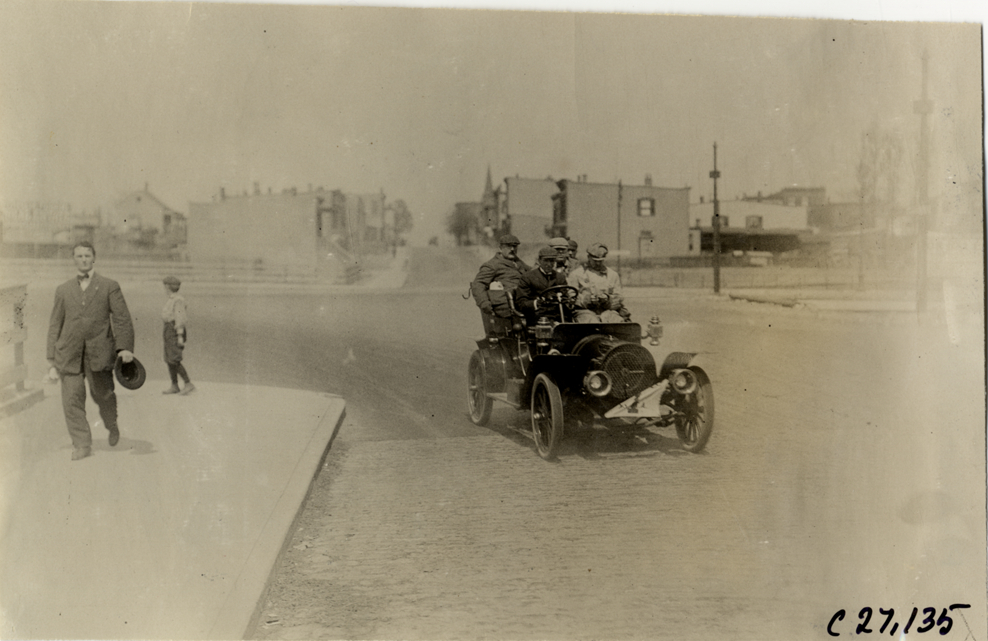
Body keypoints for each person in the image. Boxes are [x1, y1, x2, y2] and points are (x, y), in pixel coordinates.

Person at [46, 241, 135, 460]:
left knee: (102, 395)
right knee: (71, 399)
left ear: (94, 258)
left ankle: (111, 424)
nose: (83, 259)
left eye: (87, 255)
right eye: (79, 256)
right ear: (73, 259)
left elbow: (122, 319)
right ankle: (82, 444)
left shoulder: (109, 286)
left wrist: (124, 348)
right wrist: (51, 359)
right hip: (69, 353)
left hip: (100, 352)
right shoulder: (63, 290)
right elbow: (55, 325)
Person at [469, 234, 530, 331]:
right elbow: (478, 284)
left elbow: (533, 274)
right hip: (506, 307)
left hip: (523, 302)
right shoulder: (492, 265)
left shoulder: (518, 262)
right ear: (501, 248)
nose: (512, 249)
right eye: (508, 246)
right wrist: (484, 302)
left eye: (515, 246)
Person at [568, 243, 632, 323]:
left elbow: (618, 297)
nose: (598, 264)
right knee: (592, 323)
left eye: (600, 261)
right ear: (589, 258)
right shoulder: (576, 274)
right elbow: (571, 297)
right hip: (585, 312)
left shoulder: (612, 275)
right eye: (595, 261)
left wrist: (607, 299)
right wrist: (586, 300)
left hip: (608, 312)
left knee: (618, 323)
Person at [515, 246, 572, 323]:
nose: (549, 264)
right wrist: (536, 303)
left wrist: (568, 302)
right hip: (537, 316)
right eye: (545, 260)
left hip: (558, 316)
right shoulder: (528, 277)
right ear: (539, 260)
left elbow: (565, 298)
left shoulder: (560, 277)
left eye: (552, 261)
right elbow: (521, 303)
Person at [161, 276, 195, 396]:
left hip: (174, 330)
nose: (164, 288)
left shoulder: (178, 300)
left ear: (168, 287)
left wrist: (180, 336)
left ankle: (188, 383)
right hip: (168, 329)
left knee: (174, 358)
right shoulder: (172, 299)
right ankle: (174, 385)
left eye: (165, 285)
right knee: (169, 358)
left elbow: (180, 319)